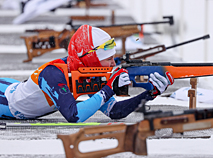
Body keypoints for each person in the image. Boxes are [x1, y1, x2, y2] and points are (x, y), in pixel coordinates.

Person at [0, 25, 174, 122]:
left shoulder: (86, 72)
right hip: (5, 101)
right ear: (90, 60)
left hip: (13, 87)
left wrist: (150, 94)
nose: (113, 63)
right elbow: (74, 115)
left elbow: (114, 112)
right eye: (109, 59)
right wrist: (107, 89)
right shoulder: (53, 73)